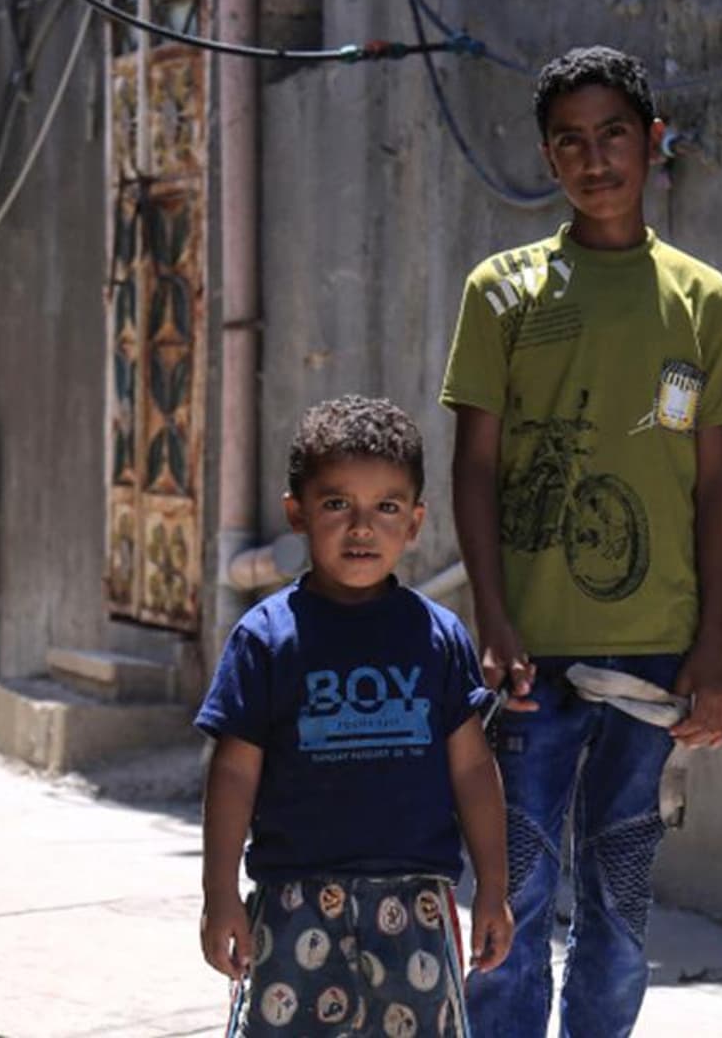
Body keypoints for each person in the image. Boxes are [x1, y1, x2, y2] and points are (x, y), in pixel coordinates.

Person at [440, 45, 722, 1037]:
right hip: (532, 655)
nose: (595, 158)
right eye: (571, 141)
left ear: (653, 143)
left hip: (657, 649)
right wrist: (492, 620)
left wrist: (715, 645)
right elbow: (476, 468)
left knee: (620, 902)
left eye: (614, 133)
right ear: (548, 157)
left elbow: (716, 480)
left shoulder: (702, 300)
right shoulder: (503, 291)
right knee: (511, 894)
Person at [196, 394, 515, 1036]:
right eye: (338, 504)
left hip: (417, 909)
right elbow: (233, 776)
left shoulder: (438, 637)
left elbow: (474, 772)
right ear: (298, 513)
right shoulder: (266, 639)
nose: (362, 527)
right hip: (293, 905)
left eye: (387, 507)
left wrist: (494, 889)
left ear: (417, 521)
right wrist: (219, 896)